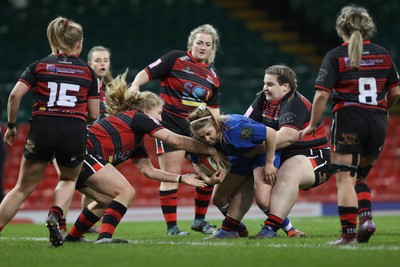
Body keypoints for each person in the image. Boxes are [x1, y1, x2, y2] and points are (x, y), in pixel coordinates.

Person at [63, 71, 224, 243]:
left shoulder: (136, 141)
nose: (160, 118)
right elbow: (175, 141)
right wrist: (211, 150)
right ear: (147, 110)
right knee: (126, 191)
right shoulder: (138, 117)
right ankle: (105, 237)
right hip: (81, 149)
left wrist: (181, 178)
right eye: (159, 113)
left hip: (73, 153)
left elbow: (149, 171)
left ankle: (73, 238)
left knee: (106, 199)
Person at [300, 5, 400, 245]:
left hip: (349, 118)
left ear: (340, 28)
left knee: (345, 177)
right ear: (368, 28)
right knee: (359, 176)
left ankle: (347, 235)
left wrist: (313, 124)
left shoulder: (335, 56)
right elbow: (395, 91)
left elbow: (321, 96)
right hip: (377, 121)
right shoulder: (384, 54)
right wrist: (383, 107)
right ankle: (366, 219)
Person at [0, 16, 99, 247]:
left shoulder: (39, 65)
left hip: (43, 127)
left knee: (22, 187)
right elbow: (94, 114)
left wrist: (12, 126)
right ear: (79, 43)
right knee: (67, 179)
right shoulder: (88, 72)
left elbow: (15, 95)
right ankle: (56, 215)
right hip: (74, 129)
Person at [128, 24, 222, 235]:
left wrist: (215, 132)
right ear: (191, 44)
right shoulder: (175, 58)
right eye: (199, 42)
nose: (203, 47)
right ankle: (172, 227)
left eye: (208, 44)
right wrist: (135, 86)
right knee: (171, 174)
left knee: (208, 172)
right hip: (169, 126)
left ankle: (199, 220)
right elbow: (146, 72)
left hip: (196, 130)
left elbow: (214, 110)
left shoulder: (213, 75)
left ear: (212, 48)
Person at [244, 65, 330, 238]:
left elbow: (288, 137)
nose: (264, 88)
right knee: (261, 197)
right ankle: (231, 225)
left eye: (270, 84)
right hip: (281, 155)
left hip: (315, 156)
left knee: (288, 172)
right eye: (264, 83)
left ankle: (270, 229)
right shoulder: (263, 99)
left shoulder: (294, 102)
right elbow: (244, 125)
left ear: (286, 86)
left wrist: (253, 151)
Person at [188, 105, 277, 239]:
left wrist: (269, 163)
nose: (206, 139)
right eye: (201, 136)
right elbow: (196, 162)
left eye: (208, 133)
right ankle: (234, 229)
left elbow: (270, 133)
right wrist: (206, 179)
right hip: (241, 156)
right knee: (219, 199)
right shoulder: (196, 140)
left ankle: (290, 229)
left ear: (216, 125)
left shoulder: (234, 128)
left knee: (262, 199)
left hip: (262, 151)